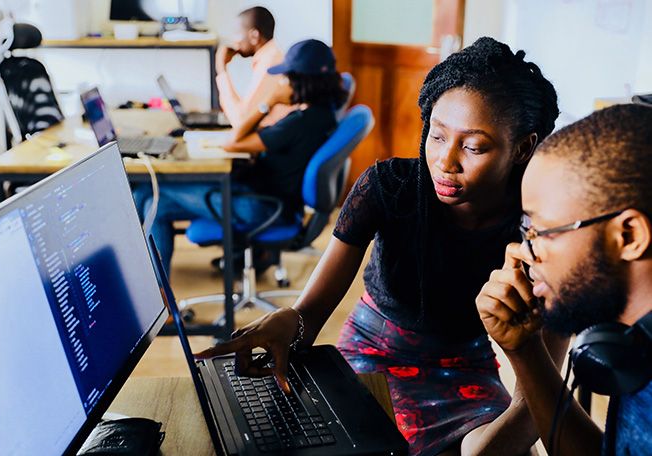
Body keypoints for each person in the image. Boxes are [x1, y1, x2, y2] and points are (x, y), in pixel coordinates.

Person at [195, 37, 563, 455]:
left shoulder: (543, 231)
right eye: (437, 136)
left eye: (473, 146)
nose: (445, 161)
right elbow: (309, 315)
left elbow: (541, 389)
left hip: (465, 369)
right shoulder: (389, 188)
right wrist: (290, 323)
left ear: (523, 147)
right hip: (372, 354)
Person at [476, 103, 652, 455]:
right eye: (527, 229)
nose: (523, 251)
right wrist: (524, 350)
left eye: (543, 231)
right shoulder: (631, 342)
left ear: (629, 237)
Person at [134, 39, 347, 276]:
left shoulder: (299, 123)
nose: (281, 82)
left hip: (260, 207)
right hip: (270, 199)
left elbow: (234, 141)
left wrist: (268, 102)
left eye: (286, 77)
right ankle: (155, 288)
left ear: (300, 81)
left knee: (152, 198)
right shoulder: (322, 115)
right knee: (147, 195)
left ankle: (159, 295)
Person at [216, 6, 294, 128]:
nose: (234, 41)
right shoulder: (270, 56)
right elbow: (243, 111)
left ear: (254, 36)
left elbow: (241, 121)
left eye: (237, 33)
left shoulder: (270, 63)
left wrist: (221, 70)